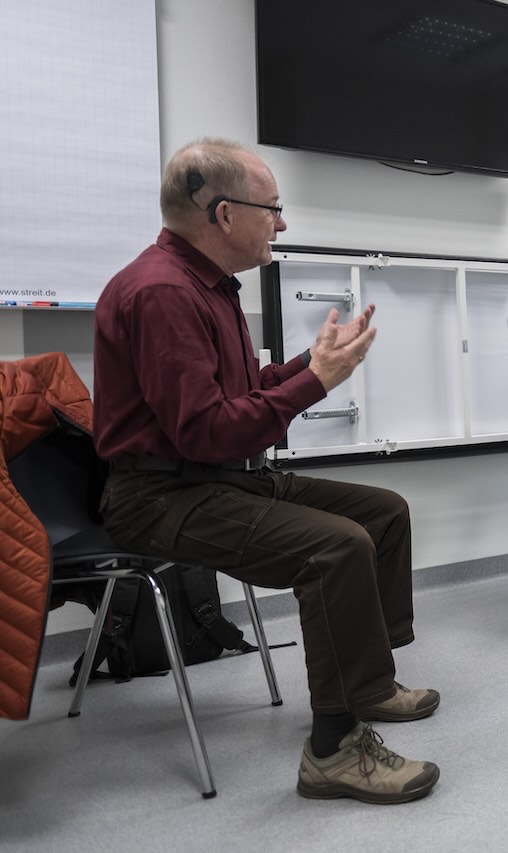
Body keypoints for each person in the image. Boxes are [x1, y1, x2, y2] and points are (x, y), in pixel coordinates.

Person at [93, 138, 440, 805]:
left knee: (383, 511)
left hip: (211, 476)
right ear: (223, 214)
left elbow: (237, 398)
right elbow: (208, 429)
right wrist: (314, 381)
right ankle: (334, 749)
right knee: (334, 549)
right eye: (272, 209)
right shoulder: (161, 293)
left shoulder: (210, 286)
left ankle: (364, 682)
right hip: (160, 493)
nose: (281, 222)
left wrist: (309, 363)